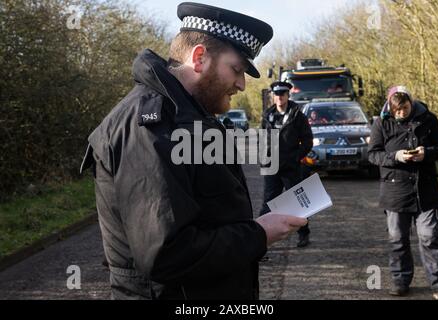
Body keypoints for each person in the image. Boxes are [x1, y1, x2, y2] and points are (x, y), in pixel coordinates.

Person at [79, 2, 307, 300]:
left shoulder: (190, 118)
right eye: (237, 70)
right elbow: (166, 254)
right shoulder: (148, 127)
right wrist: (259, 233)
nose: (241, 84)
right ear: (199, 57)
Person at [368, 85, 438, 300]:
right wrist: (396, 157)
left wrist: (427, 153)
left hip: (426, 190)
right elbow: (373, 155)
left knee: (431, 236)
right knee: (397, 239)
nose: (402, 113)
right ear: (391, 107)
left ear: (411, 103)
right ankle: (400, 280)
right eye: (398, 110)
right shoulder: (381, 123)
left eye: (405, 108)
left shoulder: (428, 119)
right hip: (395, 191)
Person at [259, 81, 314, 248]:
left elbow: (307, 141)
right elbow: (262, 138)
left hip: (291, 167)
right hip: (272, 165)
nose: (279, 97)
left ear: (288, 95)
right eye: (276, 94)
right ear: (273, 96)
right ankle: (259, 236)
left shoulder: (297, 115)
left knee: (298, 202)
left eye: (282, 94)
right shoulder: (267, 115)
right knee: (268, 201)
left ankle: (303, 234)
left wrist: (296, 157)